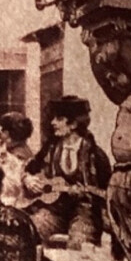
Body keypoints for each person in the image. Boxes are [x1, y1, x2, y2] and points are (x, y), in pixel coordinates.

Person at [22, 96, 110, 248]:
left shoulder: (95, 154)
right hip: (54, 210)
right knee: (29, 231)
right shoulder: (50, 148)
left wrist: (88, 194)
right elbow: (29, 168)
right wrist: (27, 179)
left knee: (79, 244)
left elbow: (107, 191)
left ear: (73, 124)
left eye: (59, 119)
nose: (53, 123)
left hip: (85, 212)